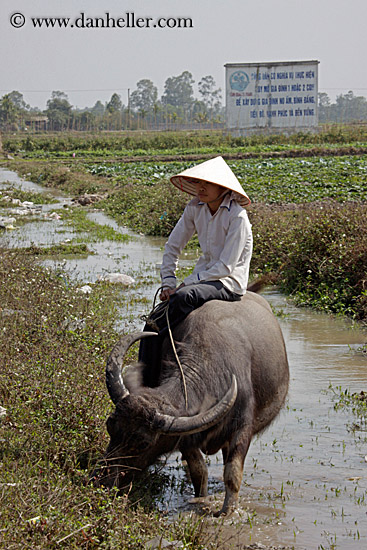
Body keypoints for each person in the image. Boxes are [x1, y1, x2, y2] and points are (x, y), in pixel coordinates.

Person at [139, 156, 253, 385]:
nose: (200, 188)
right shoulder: (194, 208)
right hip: (205, 278)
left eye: (207, 184)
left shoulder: (237, 217)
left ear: (223, 187)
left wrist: (185, 284)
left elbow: (225, 267)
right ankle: (144, 376)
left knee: (184, 296)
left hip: (228, 282)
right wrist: (168, 282)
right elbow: (173, 246)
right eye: (198, 182)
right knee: (154, 317)